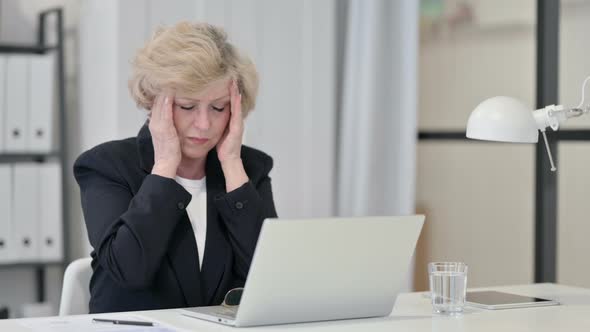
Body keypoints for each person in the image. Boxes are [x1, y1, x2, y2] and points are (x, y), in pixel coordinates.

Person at [73, 22, 277, 314]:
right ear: (155, 103)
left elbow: (268, 279)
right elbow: (130, 270)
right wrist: (166, 165)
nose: (204, 124)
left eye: (218, 108)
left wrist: (232, 164)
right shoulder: (106, 166)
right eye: (187, 106)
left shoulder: (250, 169)